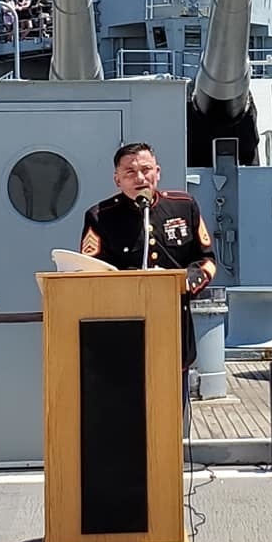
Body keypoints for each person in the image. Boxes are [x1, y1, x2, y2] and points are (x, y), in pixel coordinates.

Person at [80, 142, 216, 399]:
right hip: (123, 333)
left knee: (171, 410)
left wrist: (188, 281)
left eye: (146, 169)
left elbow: (206, 259)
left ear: (158, 172)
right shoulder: (100, 217)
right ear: (117, 179)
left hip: (173, 331)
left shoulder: (183, 206)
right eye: (130, 172)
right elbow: (90, 273)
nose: (140, 178)